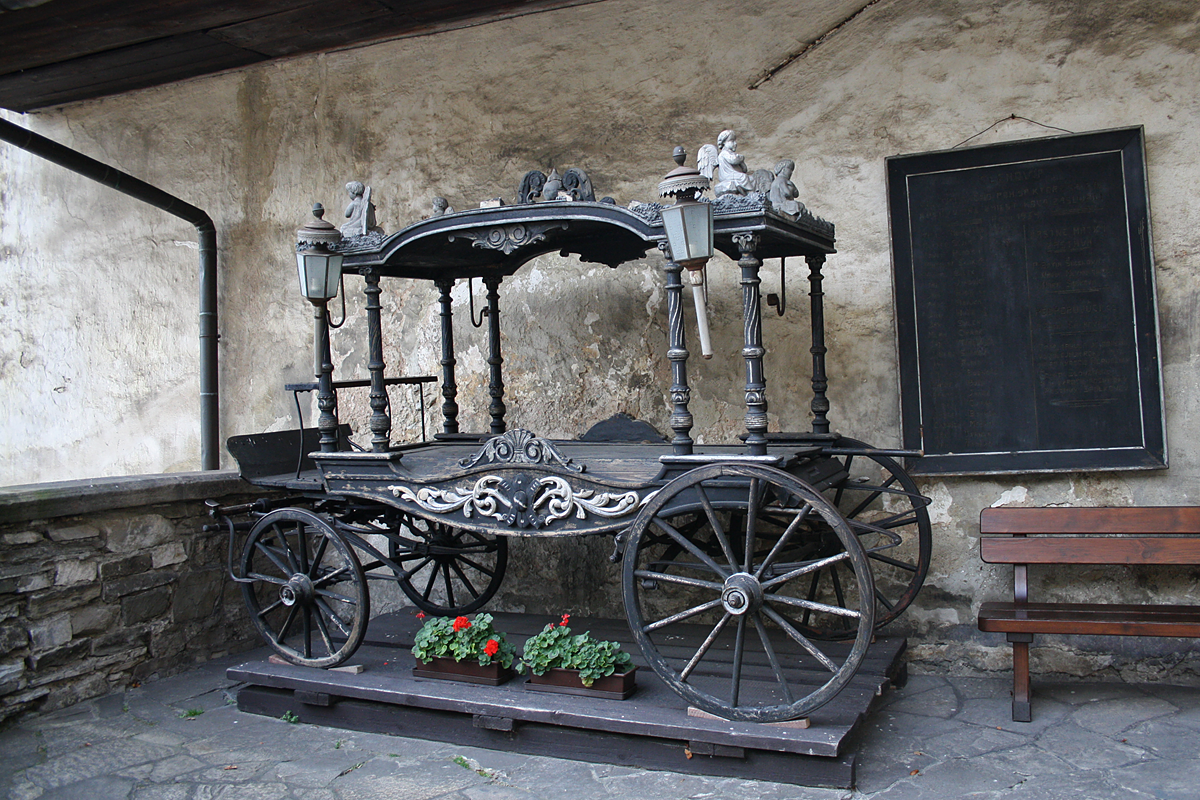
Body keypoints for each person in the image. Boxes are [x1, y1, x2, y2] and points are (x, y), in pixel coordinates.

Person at [713, 130, 750, 196]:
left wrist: (741, 162)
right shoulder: (724, 153)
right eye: (732, 141)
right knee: (743, 177)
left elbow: (744, 169)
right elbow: (733, 160)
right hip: (727, 175)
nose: (735, 143)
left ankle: (746, 193)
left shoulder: (731, 153)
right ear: (724, 143)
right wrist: (741, 158)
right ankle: (748, 193)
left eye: (735, 141)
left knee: (750, 178)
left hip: (733, 174)